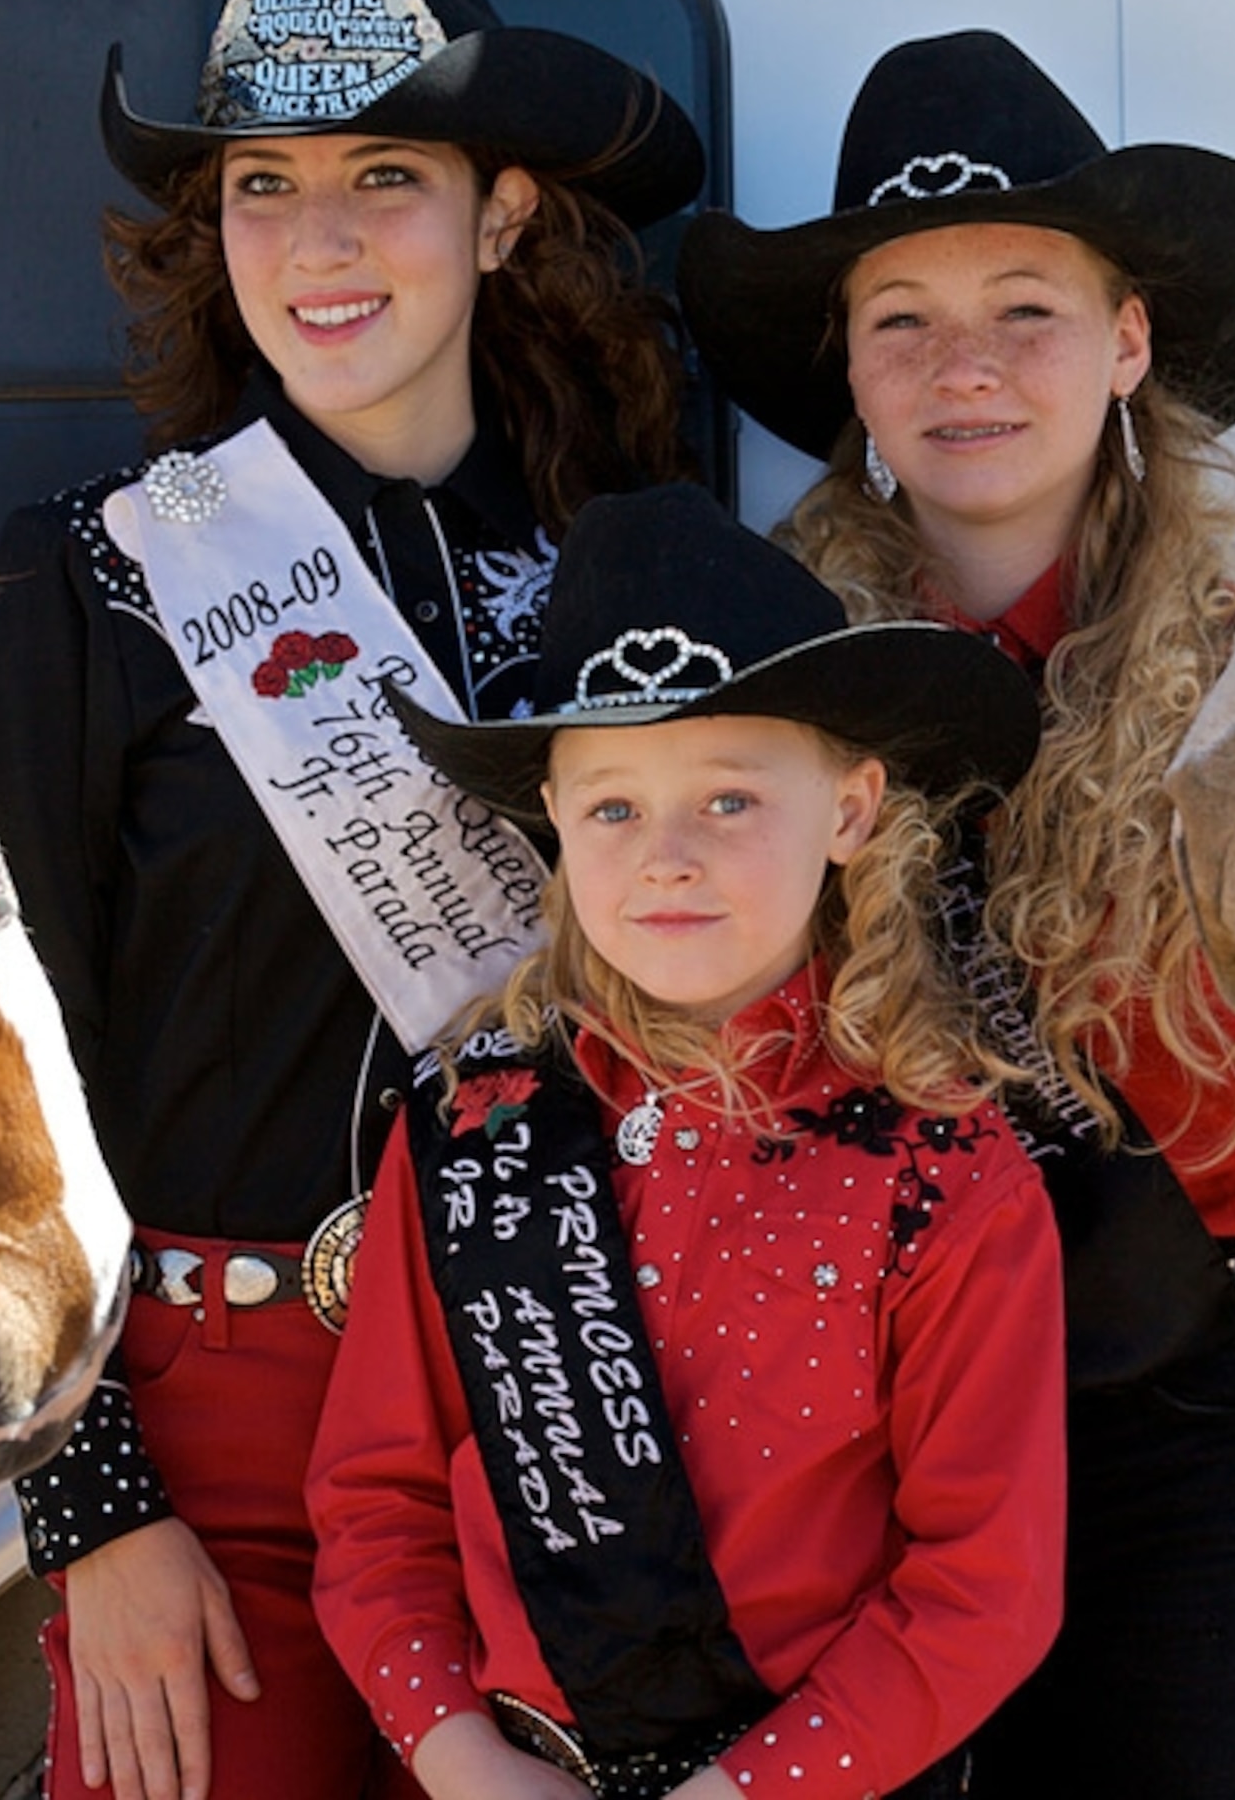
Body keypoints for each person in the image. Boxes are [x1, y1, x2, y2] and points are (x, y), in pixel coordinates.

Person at [675, 30, 1235, 1800]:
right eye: (902, 317)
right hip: (838, 1449)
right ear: (851, 371)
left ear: (1128, 345)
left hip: (1173, 1443)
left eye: (1026, 309)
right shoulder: (748, 682)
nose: (963, 366)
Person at [0, 0, 703, 1800]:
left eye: (386, 175)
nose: (319, 241)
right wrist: (91, 1509)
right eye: (262, 186)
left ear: (506, 214)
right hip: (220, 1439)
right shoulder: (101, 579)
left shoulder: (644, 575)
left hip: (577, 1395)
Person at [308, 482, 1064, 1800]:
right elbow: (377, 1505)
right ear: (552, 822)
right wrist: (459, 1755)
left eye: (727, 800)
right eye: (612, 809)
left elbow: (983, 1587)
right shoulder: (467, 1131)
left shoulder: (942, 1172)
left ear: (849, 811)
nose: (665, 857)